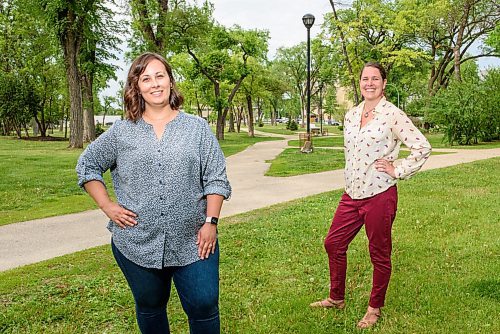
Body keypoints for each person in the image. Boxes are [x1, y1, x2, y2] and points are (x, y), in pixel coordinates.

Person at [76, 52, 231, 334]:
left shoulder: (196, 128)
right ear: (136, 87)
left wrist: (211, 223)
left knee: (204, 304)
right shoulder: (122, 131)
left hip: (195, 241)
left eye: (160, 76)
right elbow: (87, 165)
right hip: (137, 242)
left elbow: (216, 179)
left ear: (171, 81)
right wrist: (108, 206)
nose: (155, 84)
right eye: (146, 78)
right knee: (150, 305)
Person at [310, 62, 431, 329]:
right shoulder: (351, 115)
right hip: (351, 194)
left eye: (375, 78)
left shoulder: (393, 115)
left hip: (380, 194)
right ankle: (336, 298)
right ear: (360, 83)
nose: (369, 83)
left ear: (384, 83)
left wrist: (397, 169)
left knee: (378, 253)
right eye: (365, 79)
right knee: (333, 243)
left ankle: (374, 308)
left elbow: (422, 147)